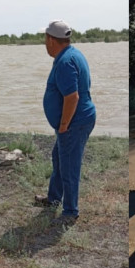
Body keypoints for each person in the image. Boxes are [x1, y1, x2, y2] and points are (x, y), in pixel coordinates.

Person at [34, 20, 96, 226]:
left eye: (45, 39)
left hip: (74, 123)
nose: (45, 43)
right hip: (78, 120)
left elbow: (72, 97)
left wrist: (63, 125)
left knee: (69, 166)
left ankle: (70, 212)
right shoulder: (72, 54)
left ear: (51, 40)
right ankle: (53, 198)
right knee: (59, 158)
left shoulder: (65, 62)